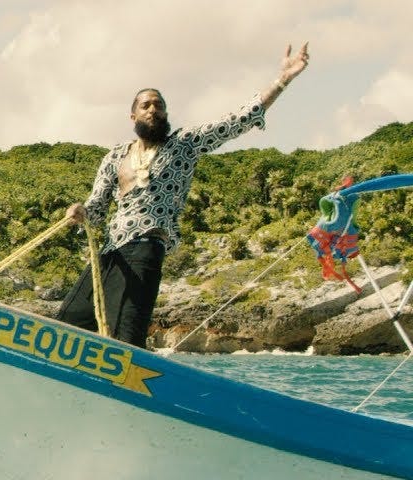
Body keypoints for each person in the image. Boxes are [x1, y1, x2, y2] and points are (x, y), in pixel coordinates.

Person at [59, 43, 311, 347]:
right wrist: (78, 212)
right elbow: (96, 210)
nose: (154, 109)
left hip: (146, 247)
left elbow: (237, 121)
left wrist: (282, 80)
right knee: (69, 321)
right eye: (146, 105)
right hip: (113, 250)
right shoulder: (115, 157)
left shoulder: (184, 143)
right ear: (132, 116)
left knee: (127, 337)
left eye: (159, 105)